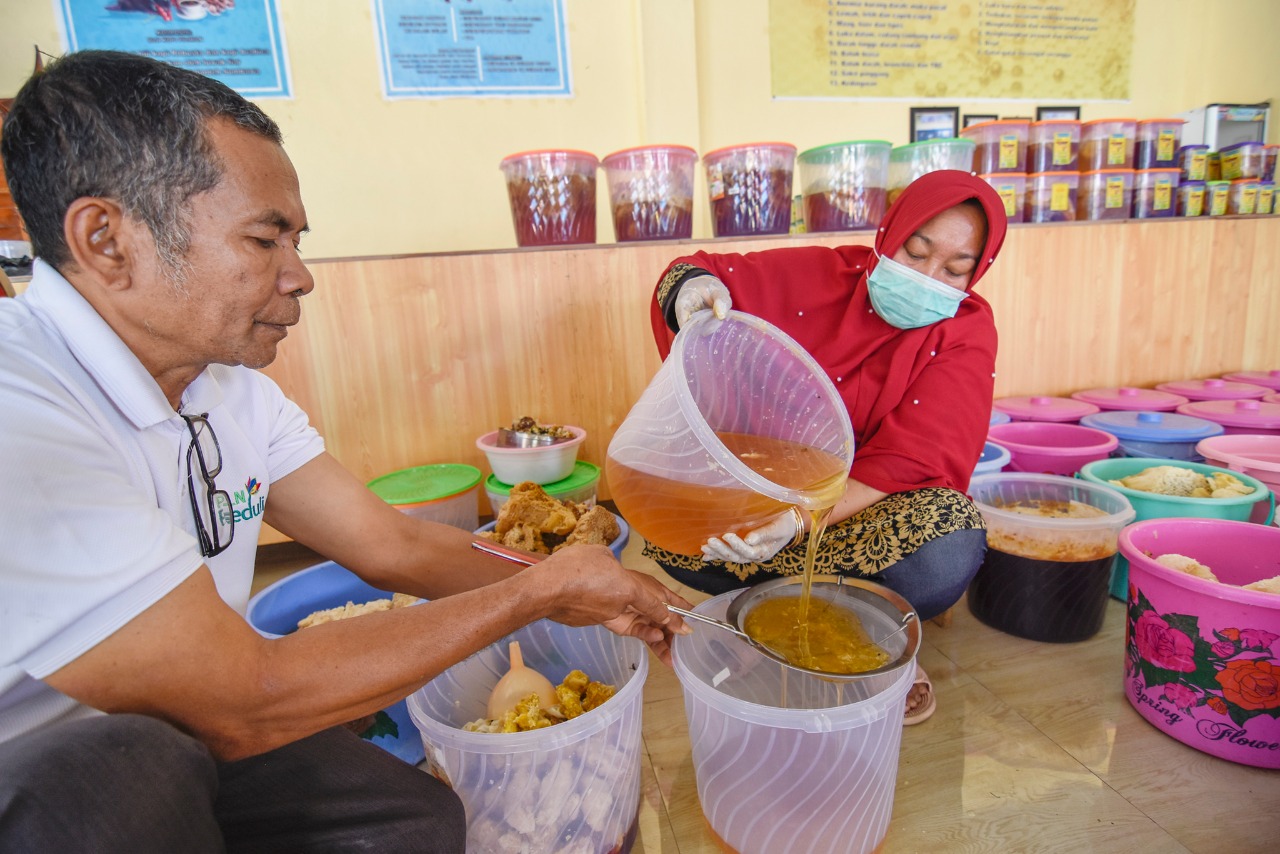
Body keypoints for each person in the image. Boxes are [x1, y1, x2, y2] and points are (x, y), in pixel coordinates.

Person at [0, 50, 690, 852]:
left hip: (181, 731)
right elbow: (242, 696)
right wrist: (532, 596)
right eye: (265, 239)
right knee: (128, 775)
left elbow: (389, 543)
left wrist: (583, 591)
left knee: (414, 821)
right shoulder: (22, 410)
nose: (300, 275)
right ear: (106, 239)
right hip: (64, 772)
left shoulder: (229, 391)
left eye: (296, 239)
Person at [647, 169, 1008, 724]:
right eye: (916, 252)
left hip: (861, 513)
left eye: (956, 270)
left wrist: (797, 521)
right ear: (889, 235)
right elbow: (697, 273)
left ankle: (851, 628)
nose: (928, 278)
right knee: (664, 506)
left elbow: (918, 460)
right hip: (762, 491)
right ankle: (797, 620)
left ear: (976, 274)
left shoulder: (965, 329)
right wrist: (690, 291)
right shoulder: (817, 275)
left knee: (947, 546)